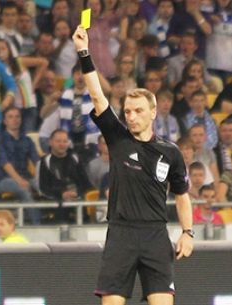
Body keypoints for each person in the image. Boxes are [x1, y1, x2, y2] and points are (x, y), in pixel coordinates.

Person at [72, 26, 193, 305]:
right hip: (121, 234)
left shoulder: (170, 152)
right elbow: (97, 96)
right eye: (127, 111)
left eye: (138, 111)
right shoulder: (118, 139)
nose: (131, 116)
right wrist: (83, 52)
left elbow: (182, 194)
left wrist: (187, 232)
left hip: (155, 234)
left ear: (153, 112)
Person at [0, 106, 40, 224]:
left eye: (17, 117)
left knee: (45, 186)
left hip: (26, 176)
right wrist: (19, 180)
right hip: (4, 179)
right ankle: (37, 225)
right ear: (5, 121)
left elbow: (37, 162)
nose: (15, 120)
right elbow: (5, 163)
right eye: (10, 117)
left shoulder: (27, 140)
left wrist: (42, 179)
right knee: (23, 189)